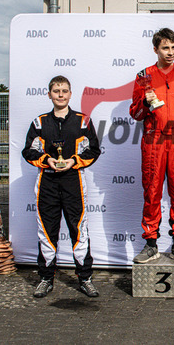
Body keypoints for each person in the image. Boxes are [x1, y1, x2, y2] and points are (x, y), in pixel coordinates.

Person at [22, 75, 101, 298]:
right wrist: (47, 160)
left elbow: (93, 150)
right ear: (49, 94)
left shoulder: (83, 121)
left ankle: (85, 278)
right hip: (47, 182)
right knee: (47, 232)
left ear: (70, 94)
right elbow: (28, 151)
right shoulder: (39, 122)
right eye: (56, 91)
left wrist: (73, 161)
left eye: (64, 91)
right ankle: (46, 278)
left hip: (73, 181)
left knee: (79, 230)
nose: (60, 95)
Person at [130, 28, 174, 264]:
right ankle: (151, 245)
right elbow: (136, 114)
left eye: (173, 47)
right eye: (165, 48)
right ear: (155, 49)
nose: (170, 52)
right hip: (154, 140)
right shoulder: (144, 76)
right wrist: (145, 102)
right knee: (152, 192)